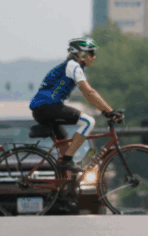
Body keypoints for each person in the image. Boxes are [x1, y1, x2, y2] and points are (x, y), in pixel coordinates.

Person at [29, 37, 118, 173]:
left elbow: (88, 95)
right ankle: (66, 163)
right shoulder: (73, 66)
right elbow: (89, 91)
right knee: (88, 122)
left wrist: (105, 111)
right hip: (48, 107)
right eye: (91, 53)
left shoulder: (73, 66)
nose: (94, 57)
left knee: (66, 150)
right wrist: (110, 111)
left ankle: (66, 184)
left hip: (45, 108)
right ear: (81, 54)